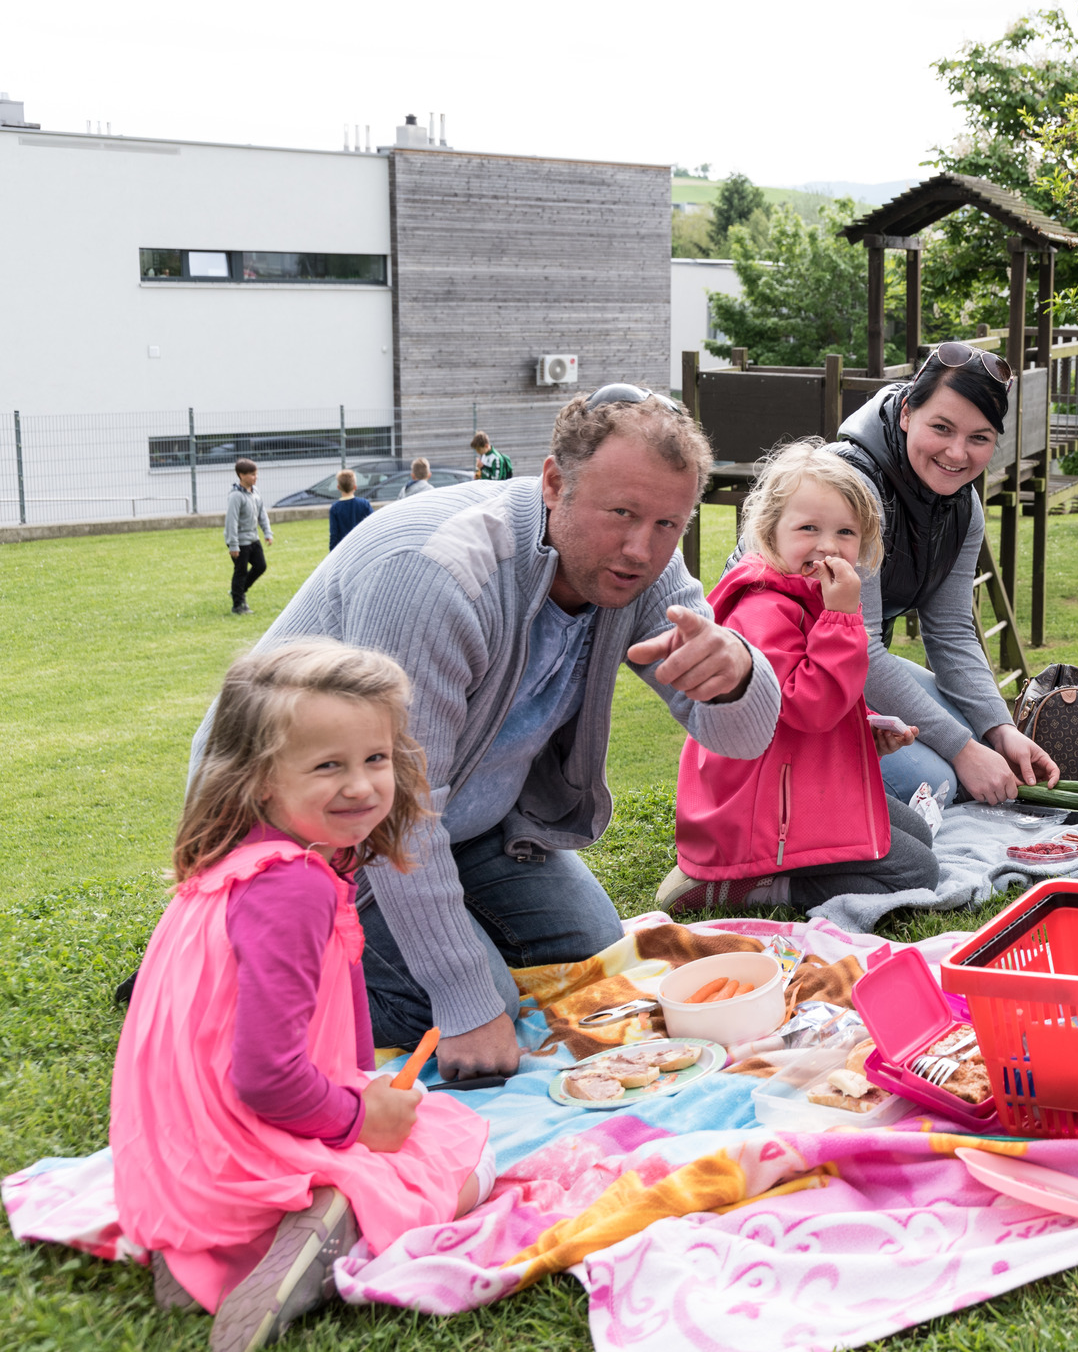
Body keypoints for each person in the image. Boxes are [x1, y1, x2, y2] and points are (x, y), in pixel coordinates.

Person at [191, 383, 781, 1081]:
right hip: (313, 836)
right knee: (464, 1007)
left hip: (468, 824)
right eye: (620, 513)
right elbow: (397, 809)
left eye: (667, 525)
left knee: (589, 953)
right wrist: (467, 999)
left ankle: (406, 945)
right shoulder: (438, 572)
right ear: (555, 482)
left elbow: (741, 736)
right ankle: (236, 965)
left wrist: (741, 670)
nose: (639, 548)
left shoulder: (640, 572)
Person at [115, 641, 492, 1350]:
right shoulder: (291, 886)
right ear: (258, 779)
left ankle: (207, 1252)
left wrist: (358, 1085)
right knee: (463, 1148)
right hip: (240, 1152)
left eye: (375, 758)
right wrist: (359, 1121)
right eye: (328, 765)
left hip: (174, 1165)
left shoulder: (248, 856)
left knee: (402, 1116)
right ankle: (321, 1234)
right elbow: (265, 1075)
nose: (361, 786)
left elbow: (335, 998)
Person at [661, 441, 939, 911]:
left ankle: (774, 867)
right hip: (758, 809)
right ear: (770, 532)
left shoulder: (807, 600)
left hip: (793, 784)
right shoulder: (762, 610)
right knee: (917, 873)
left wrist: (864, 728)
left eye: (845, 532)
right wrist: (842, 618)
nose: (828, 545)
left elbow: (804, 704)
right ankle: (751, 886)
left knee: (916, 833)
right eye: (809, 528)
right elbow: (809, 707)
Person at [814, 341, 1057, 805]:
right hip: (785, 675)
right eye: (941, 428)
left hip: (845, 669)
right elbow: (859, 648)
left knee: (980, 745)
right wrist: (961, 749)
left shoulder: (964, 506)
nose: (957, 453)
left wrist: (998, 729)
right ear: (907, 412)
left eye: (980, 438)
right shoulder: (851, 488)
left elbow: (949, 630)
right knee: (940, 781)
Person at [225, 458, 273, 616]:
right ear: (241, 475)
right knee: (240, 571)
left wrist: (267, 533)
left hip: (253, 538)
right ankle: (238, 605)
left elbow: (262, 514)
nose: (255, 477)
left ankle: (237, 591)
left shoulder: (256, 492)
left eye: (256, 474)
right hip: (240, 541)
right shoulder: (236, 496)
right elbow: (231, 521)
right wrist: (233, 545)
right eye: (252, 474)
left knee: (261, 566)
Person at [327, 468, 375, 550]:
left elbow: (334, 534)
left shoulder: (335, 509)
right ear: (355, 487)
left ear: (338, 487)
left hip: (344, 550)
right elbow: (373, 525)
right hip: (363, 547)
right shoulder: (364, 504)